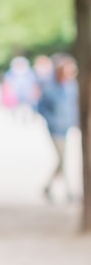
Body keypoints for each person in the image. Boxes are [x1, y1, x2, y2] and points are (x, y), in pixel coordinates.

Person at [37, 54, 79, 201]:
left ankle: (47, 187)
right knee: (62, 159)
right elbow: (41, 107)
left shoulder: (71, 86)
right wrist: (52, 121)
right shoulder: (51, 88)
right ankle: (68, 192)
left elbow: (74, 107)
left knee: (62, 160)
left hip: (66, 127)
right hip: (55, 129)